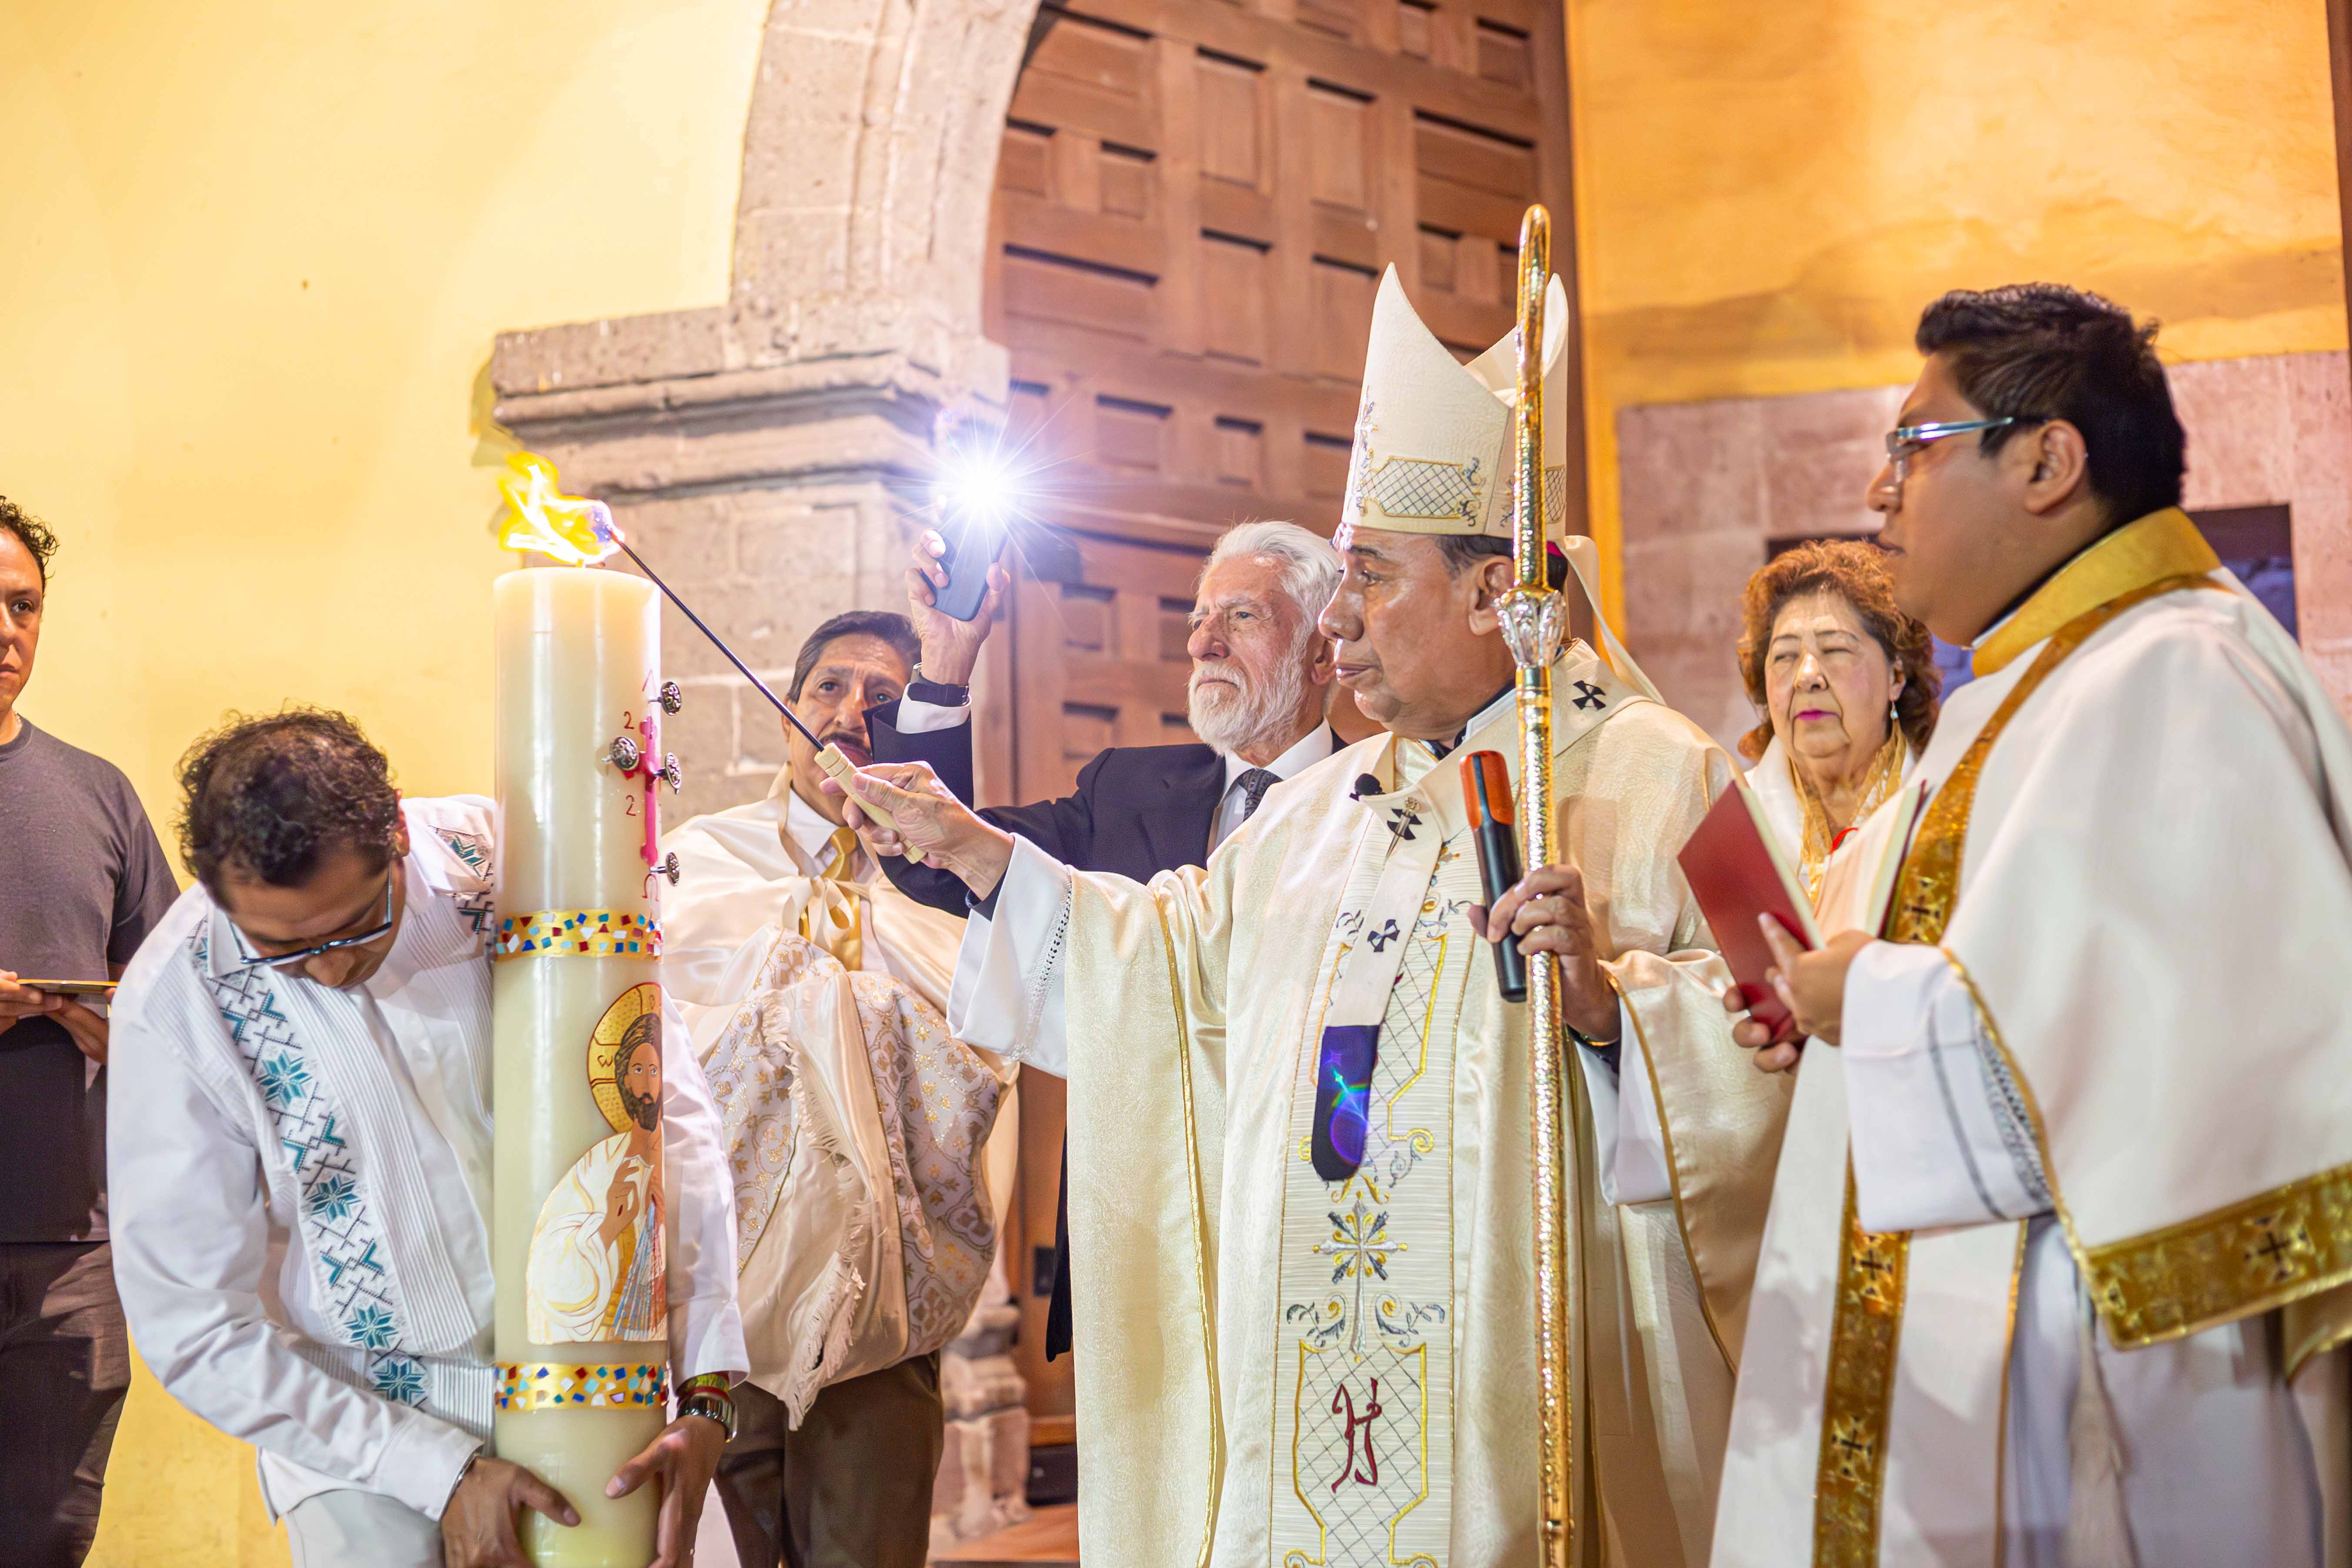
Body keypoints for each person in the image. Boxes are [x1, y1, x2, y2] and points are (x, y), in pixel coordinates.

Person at [840, 269, 1784, 1568]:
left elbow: (1794, 1034)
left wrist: (1618, 1010)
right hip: (1308, 1391)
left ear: (1495, 590)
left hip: (1537, 1407)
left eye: (1373, 579)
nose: (1337, 619)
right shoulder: (1316, 809)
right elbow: (1159, 965)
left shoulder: (1672, 776)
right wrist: (993, 860)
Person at [1716, 284, 2352, 1568]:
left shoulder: (2174, 669)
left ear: (2049, 460)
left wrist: (1867, 1001)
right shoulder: (2054, 681)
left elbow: (2177, 1066)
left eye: (1915, 443)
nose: (1881, 488)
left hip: (2124, 1391)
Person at [106, 709, 746, 1568]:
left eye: (359, 925)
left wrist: (704, 1388)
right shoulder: (172, 1005)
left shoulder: (506, 863)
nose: (331, 967)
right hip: (359, 1429)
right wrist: (436, 1469)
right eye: (283, 952)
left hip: (601, 1382)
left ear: (400, 834)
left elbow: (660, 1113)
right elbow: (193, 1325)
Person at [869, 516, 1344, 1365]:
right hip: (1144, 1236)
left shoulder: (1385, 795)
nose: (1202, 641)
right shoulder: (1128, 788)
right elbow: (945, 866)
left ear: (1321, 652)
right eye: (1198, 618)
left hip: (1322, 1226)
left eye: (1240, 618)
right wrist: (944, 663)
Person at [660, 610, 1013, 1568]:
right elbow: (653, 1053)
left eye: (884, 699)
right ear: (786, 710)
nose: (851, 713)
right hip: (721, 1309)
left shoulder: (956, 880)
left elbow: (983, 1061)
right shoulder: (691, 864)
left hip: (883, 1307)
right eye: (828, 688)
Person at [0, 499, 178, 1568]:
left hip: (73, 1249)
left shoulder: (97, 792)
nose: (5, 631)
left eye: (23, 605)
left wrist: (115, 1025)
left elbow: (175, 1002)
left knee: (50, 1540)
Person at [1733, 540, 1939, 900]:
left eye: (1835, 650)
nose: (1807, 676)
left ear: (1896, 677)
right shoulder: (1730, 824)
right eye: (1784, 656)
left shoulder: (1944, 807)